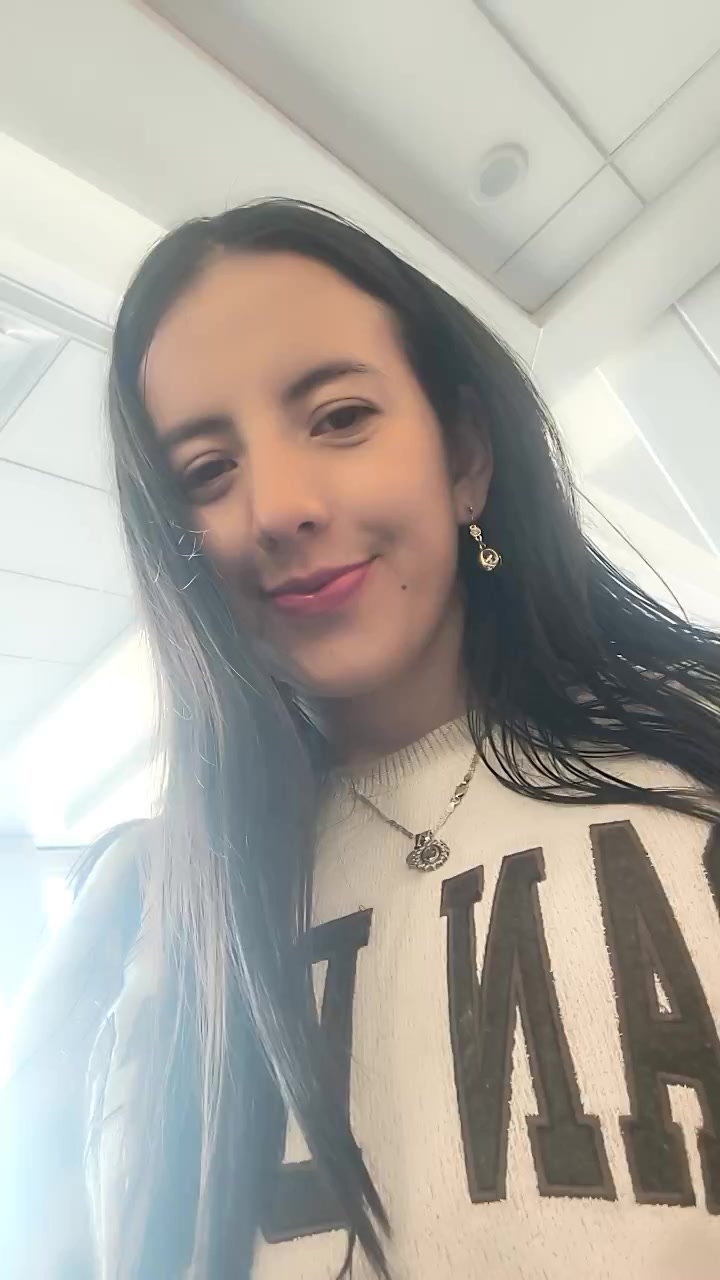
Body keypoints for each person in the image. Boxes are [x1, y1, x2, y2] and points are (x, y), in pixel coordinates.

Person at [2, 199, 720, 1280]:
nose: (277, 507)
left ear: (464, 456)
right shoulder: (146, 916)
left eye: (339, 417)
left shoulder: (692, 750)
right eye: (206, 472)